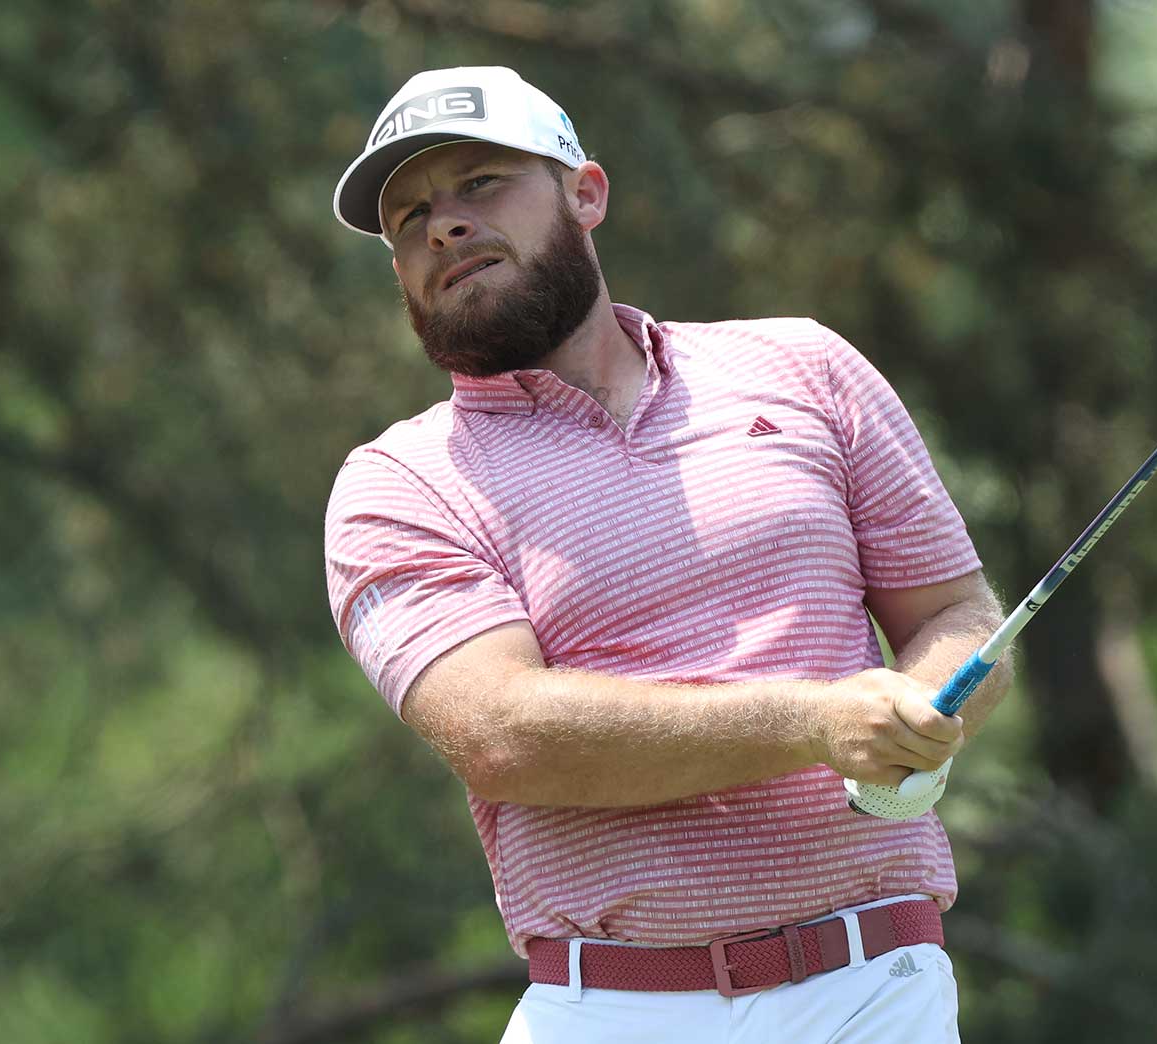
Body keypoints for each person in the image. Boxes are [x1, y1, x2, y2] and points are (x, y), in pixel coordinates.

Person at [323, 66, 1012, 1043]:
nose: (440, 227)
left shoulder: (803, 366)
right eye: (408, 219)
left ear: (585, 192)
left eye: (480, 184)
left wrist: (929, 705)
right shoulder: (398, 485)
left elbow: (955, 617)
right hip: (611, 1011)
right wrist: (816, 721)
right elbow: (498, 733)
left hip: (874, 988)